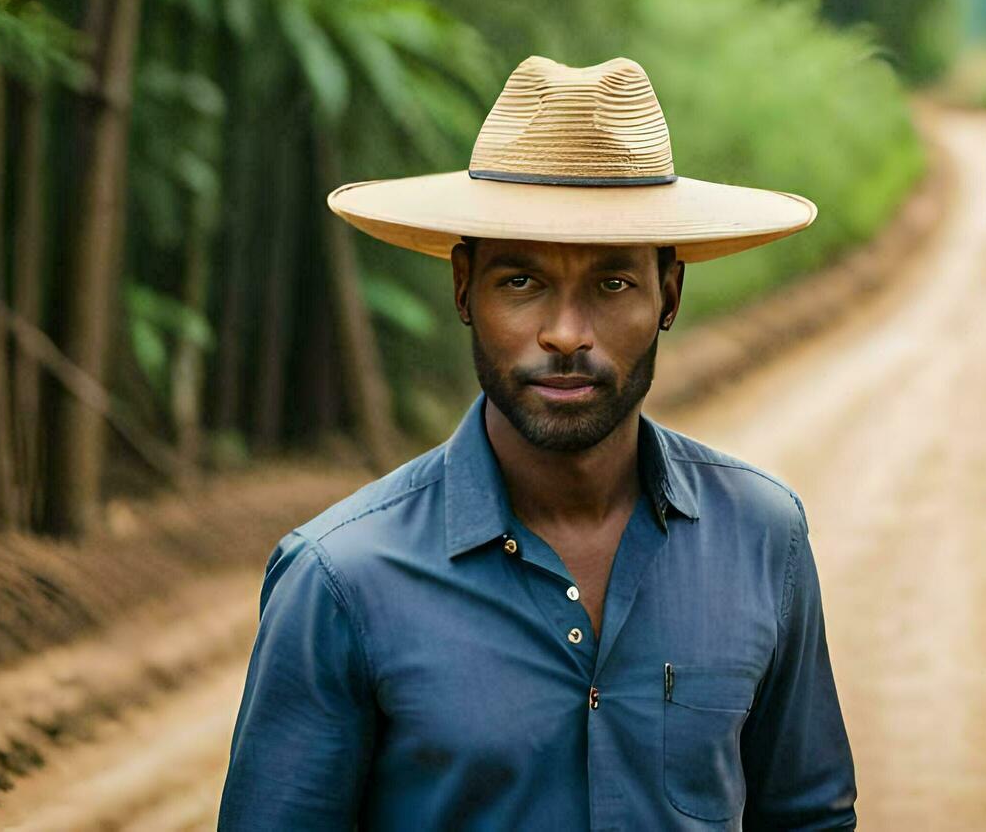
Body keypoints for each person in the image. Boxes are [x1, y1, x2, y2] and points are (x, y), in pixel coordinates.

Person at [217, 56, 857, 830]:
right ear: (463, 289)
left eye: (613, 284)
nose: (563, 333)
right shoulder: (342, 581)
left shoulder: (762, 535)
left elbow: (807, 816)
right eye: (520, 282)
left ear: (671, 295)